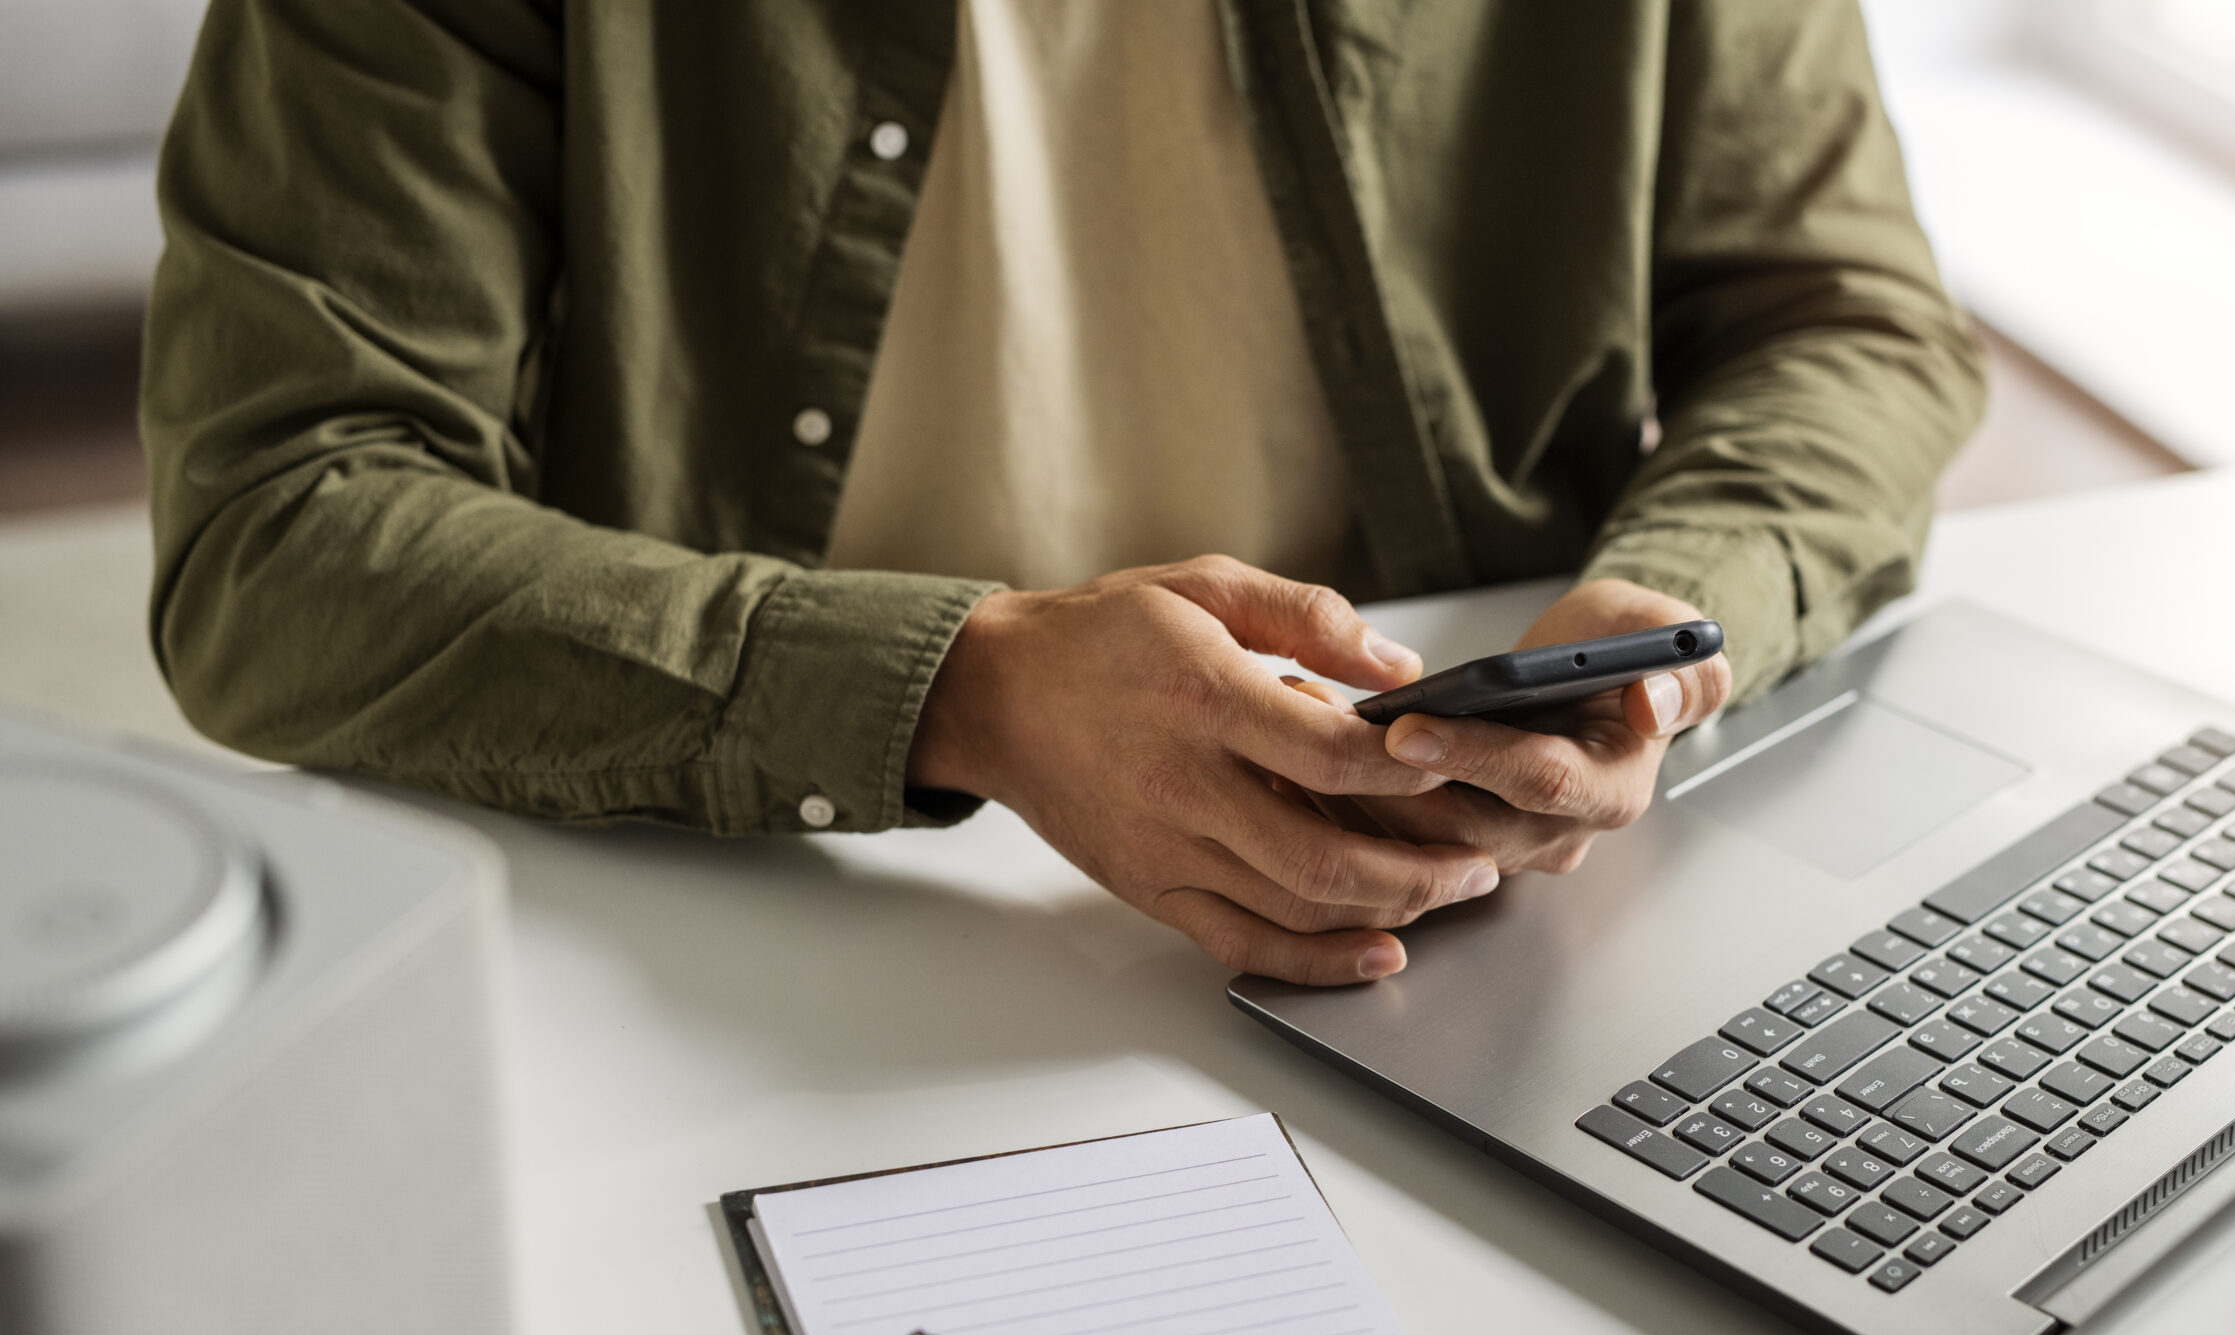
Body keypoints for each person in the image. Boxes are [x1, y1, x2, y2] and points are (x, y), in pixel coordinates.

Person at [141, 0, 1985, 986]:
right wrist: (967, 684)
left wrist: (1665, 619)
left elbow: (1848, 320)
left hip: (1485, 920)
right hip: (763, 906)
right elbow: (284, 518)